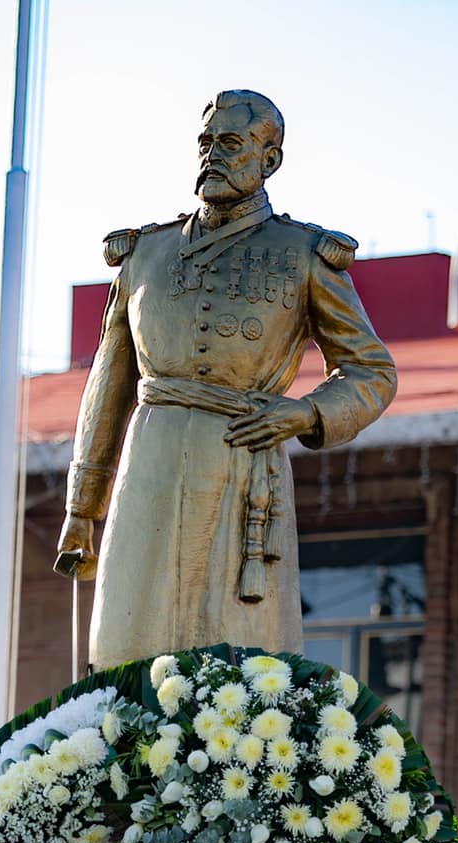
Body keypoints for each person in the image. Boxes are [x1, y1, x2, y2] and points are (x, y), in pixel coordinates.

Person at [56, 89, 397, 666]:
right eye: (206, 144)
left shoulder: (304, 254)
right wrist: (82, 509)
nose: (213, 157)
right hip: (150, 466)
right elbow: (109, 387)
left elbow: (371, 370)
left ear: (270, 161)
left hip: (241, 466)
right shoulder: (145, 255)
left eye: (232, 144)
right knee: (126, 646)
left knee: (233, 651)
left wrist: (308, 412)